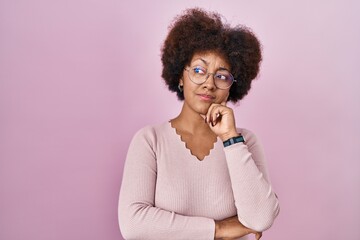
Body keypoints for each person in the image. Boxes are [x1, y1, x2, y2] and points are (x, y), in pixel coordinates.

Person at [118, 8, 280, 240]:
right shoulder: (150, 141)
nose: (209, 83)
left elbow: (261, 218)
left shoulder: (246, 142)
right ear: (180, 77)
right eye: (198, 70)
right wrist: (219, 229)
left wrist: (230, 139)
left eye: (221, 76)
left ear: (232, 86)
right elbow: (133, 224)